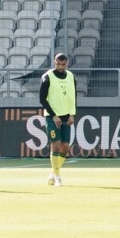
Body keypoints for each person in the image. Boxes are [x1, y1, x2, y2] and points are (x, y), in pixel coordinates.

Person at [39, 51, 78, 185]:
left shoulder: (71, 76)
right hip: (52, 117)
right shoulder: (47, 77)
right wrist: (54, 115)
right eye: (58, 64)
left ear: (67, 64)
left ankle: (53, 173)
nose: (61, 67)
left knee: (65, 147)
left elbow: (73, 96)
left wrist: (72, 114)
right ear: (54, 63)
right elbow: (42, 99)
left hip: (66, 116)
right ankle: (58, 178)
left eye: (63, 64)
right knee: (55, 145)